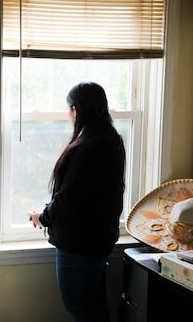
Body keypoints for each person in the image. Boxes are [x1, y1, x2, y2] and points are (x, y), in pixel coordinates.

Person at [28, 82, 125, 322]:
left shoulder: (89, 148)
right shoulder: (111, 141)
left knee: (81, 310)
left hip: (79, 246)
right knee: (94, 311)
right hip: (97, 241)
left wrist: (42, 216)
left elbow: (69, 200)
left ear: (76, 110)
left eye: (69, 109)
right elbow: (84, 197)